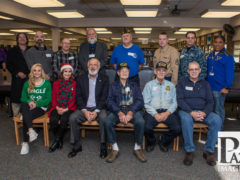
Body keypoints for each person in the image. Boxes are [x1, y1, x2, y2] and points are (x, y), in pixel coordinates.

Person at [177, 62, 221, 166]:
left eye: (196, 69)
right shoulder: (182, 82)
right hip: (186, 111)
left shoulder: (205, 84)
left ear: (200, 70)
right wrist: (191, 112)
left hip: (202, 111)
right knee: (186, 119)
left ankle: (209, 151)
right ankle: (189, 151)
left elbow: (211, 102)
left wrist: (204, 113)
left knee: (217, 119)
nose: (194, 71)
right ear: (188, 71)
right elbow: (179, 100)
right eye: (191, 69)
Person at [104, 62, 146, 163]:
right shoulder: (113, 86)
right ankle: (115, 148)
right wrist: (119, 112)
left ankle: (137, 147)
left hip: (132, 109)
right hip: (118, 110)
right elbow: (109, 101)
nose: (124, 73)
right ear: (118, 73)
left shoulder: (134, 85)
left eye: (126, 71)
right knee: (107, 122)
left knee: (141, 122)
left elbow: (140, 100)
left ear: (129, 72)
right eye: (122, 71)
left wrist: (131, 112)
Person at [68, 58, 109, 158]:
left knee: (104, 118)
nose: (93, 67)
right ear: (87, 66)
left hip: (99, 108)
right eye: (90, 64)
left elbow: (104, 97)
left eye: (95, 65)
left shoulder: (104, 79)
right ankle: (76, 145)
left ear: (98, 67)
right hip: (84, 108)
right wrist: (84, 111)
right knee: (73, 118)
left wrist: (96, 111)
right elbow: (78, 96)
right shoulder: (80, 79)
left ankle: (103, 145)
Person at [143, 61, 181, 152]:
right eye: (159, 70)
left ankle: (163, 140)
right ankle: (151, 142)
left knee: (177, 128)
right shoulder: (149, 85)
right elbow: (146, 103)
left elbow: (174, 103)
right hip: (152, 111)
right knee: (145, 127)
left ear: (166, 72)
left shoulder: (171, 85)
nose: (161, 72)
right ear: (155, 72)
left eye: (163, 70)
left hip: (167, 111)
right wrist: (155, 114)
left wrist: (167, 113)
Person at [20, 64, 52, 155]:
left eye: (39, 70)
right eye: (35, 70)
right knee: (25, 106)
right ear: (32, 72)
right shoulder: (27, 83)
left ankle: (25, 143)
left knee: (26, 116)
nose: (37, 72)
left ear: (41, 72)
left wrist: (37, 103)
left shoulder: (47, 83)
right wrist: (30, 101)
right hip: (29, 106)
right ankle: (31, 131)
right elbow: (23, 97)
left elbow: (48, 99)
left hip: (40, 107)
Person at [207, 35, 235, 129]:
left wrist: (227, 87)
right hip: (209, 87)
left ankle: (218, 131)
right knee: (210, 110)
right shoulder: (211, 55)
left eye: (220, 42)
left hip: (220, 88)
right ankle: (212, 129)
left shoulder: (228, 57)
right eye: (216, 42)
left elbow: (230, 73)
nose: (217, 44)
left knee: (218, 110)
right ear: (213, 43)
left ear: (224, 43)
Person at [48, 63, 77, 153]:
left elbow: (74, 98)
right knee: (53, 119)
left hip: (69, 108)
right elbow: (53, 97)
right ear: (62, 72)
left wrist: (66, 109)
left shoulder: (74, 83)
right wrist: (57, 107)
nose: (67, 73)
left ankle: (56, 141)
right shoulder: (56, 83)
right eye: (65, 71)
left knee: (64, 119)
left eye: (69, 72)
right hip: (57, 107)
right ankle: (59, 140)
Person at [6, 33, 30, 116]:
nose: (22, 39)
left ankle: (29, 118)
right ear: (17, 39)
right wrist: (17, 73)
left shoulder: (31, 50)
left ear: (27, 39)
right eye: (20, 37)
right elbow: (8, 65)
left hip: (30, 78)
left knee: (29, 98)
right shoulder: (12, 51)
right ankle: (16, 118)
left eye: (24, 37)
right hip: (17, 79)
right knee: (16, 99)